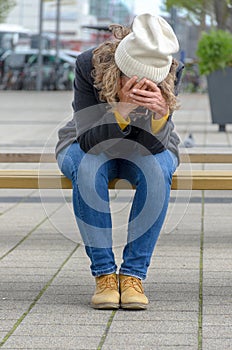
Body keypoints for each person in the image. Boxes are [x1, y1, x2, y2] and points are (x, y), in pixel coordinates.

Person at [56, 13, 184, 310]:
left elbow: (153, 148)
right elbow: (88, 140)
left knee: (156, 170)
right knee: (88, 168)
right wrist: (122, 109)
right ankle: (104, 275)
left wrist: (159, 115)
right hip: (85, 140)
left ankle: (133, 276)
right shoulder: (89, 64)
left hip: (146, 147)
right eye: (135, 77)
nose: (143, 84)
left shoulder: (170, 68)